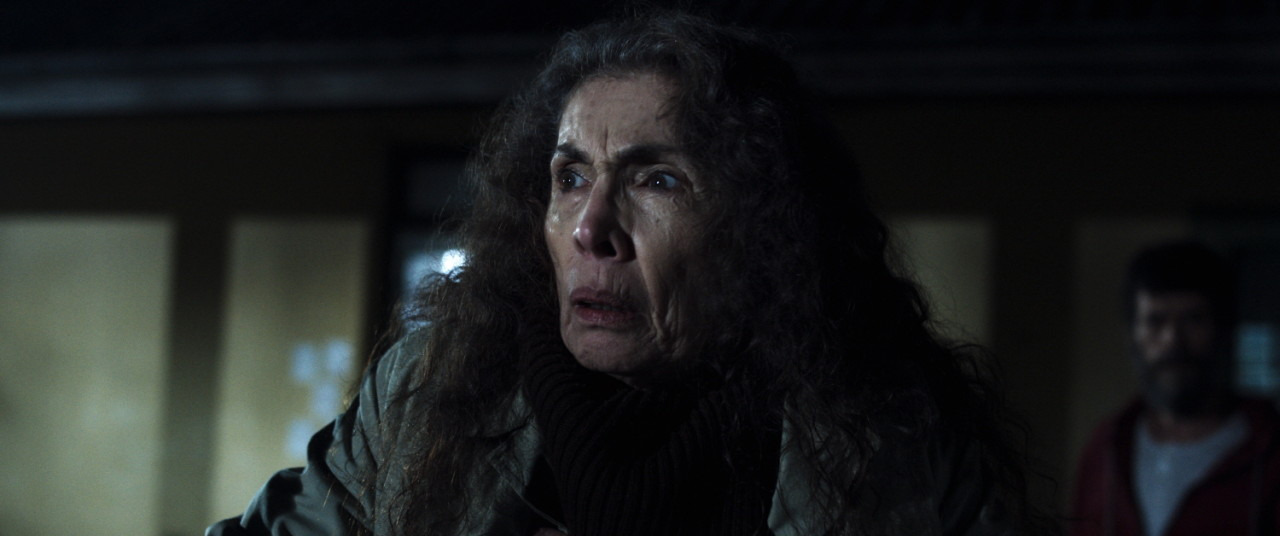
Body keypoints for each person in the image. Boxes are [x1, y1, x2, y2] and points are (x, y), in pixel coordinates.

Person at [209, 11, 1050, 536]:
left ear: (765, 227)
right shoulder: (428, 396)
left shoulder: (896, 440)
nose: (592, 228)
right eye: (570, 177)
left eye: (658, 181)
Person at [1070, 241, 1280, 536]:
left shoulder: (1270, 451)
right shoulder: (1107, 447)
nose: (1172, 340)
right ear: (1133, 333)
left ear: (1223, 328)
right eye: (1155, 322)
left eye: (1193, 319)